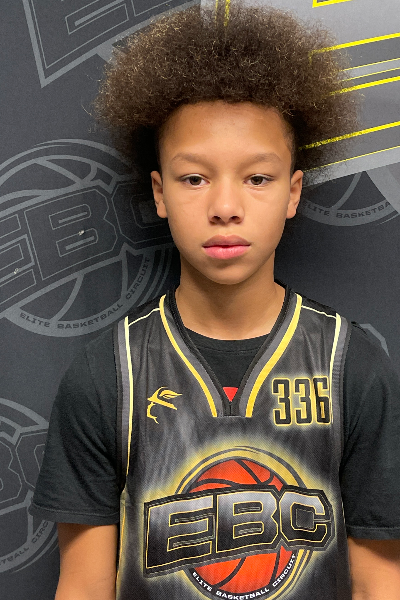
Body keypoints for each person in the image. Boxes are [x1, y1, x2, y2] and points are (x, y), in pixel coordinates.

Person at [30, 3, 400, 599]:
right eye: (195, 178)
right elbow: (83, 587)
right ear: (160, 193)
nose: (225, 207)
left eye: (257, 178)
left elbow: (380, 584)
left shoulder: (351, 366)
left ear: (293, 192)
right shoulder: (108, 374)